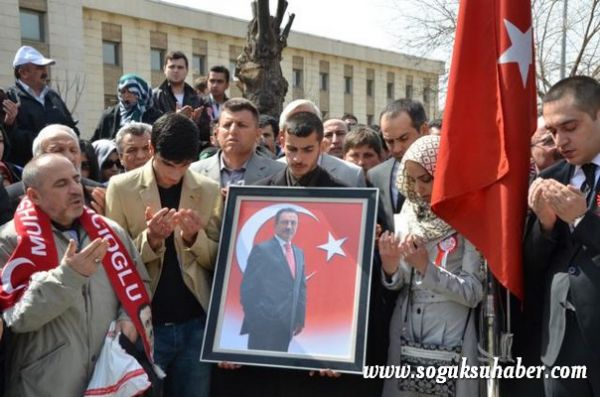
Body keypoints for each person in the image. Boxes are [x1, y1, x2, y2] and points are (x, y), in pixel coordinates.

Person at [0, 154, 151, 396]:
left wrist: (129, 319)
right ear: (34, 196)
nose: (75, 189)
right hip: (46, 385)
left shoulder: (110, 231)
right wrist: (69, 276)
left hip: (109, 378)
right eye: (61, 184)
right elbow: (17, 318)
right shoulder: (9, 242)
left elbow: (140, 282)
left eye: (76, 179)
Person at [105, 112, 222, 397]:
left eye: (184, 165)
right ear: (152, 150)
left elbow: (218, 263)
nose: (175, 174)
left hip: (196, 325)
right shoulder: (121, 188)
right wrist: (152, 239)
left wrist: (195, 238)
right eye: (169, 164)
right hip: (146, 324)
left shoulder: (208, 190)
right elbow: (114, 262)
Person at [378, 135, 483, 397]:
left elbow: (473, 293)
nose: (419, 189)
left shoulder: (469, 217)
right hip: (405, 329)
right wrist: (390, 267)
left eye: (426, 179)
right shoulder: (409, 213)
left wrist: (428, 268)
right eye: (412, 179)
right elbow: (401, 280)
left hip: (452, 333)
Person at [524, 75, 600, 396]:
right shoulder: (549, 178)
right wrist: (545, 225)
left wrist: (582, 220)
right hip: (560, 344)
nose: (560, 142)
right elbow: (531, 265)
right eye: (553, 132)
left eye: (570, 127)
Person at [240, 207, 306, 352]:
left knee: (279, 371)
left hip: (287, 326)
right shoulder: (262, 250)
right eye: (285, 222)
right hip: (263, 327)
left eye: (293, 223)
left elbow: (300, 288)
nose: (289, 227)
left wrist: (300, 319)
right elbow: (248, 288)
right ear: (275, 225)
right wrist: (256, 321)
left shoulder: (299, 253)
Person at [6, 124, 105, 217]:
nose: (69, 157)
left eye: (73, 150)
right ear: (38, 157)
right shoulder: (10, 198)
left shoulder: (98, 193)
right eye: (57, 150)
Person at [6, 46, 79, 166]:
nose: (46, 72)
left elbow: (71, 128)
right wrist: (47, 142)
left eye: (46, 67)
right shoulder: (9, 98)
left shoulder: (53, 96)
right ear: (23, 72)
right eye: (40, 67)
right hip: (27, 168)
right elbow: (9, 138)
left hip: (61, 166)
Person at [190, 98, 284, 190]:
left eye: (241, 125)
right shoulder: (194, 173)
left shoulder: (279, 173)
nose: (233, 131)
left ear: (257, 134)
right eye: (227, 125)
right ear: (217, 133)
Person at [368, 99, 428, 233]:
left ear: (424, 130)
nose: (396, 149)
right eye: (389, 141)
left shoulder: (447, 171)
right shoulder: (376, 175)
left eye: (404, 138)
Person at [277, 99, 366, 187]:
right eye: (292, 149)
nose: (298, 158)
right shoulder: (269, 174)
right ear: (282, 140)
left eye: (308, 150)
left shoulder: (351, 174)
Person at [152, 51, 212, 143]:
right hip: (165, 149)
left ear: (186, 70)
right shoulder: (154, 96)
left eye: (180, 67)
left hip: (190, 150)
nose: (176, 70)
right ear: (164, 69)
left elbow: (206, 132)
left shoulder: (199, 99)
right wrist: (176, 118)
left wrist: (194, 122)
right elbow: (153, 128)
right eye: (172, 67)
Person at [92, 73, 162, 141]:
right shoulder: (109, 116)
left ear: (141, 92)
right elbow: (96, 142)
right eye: (123, 92)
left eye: (131, 91)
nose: (126, 95)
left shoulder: (156, 116)